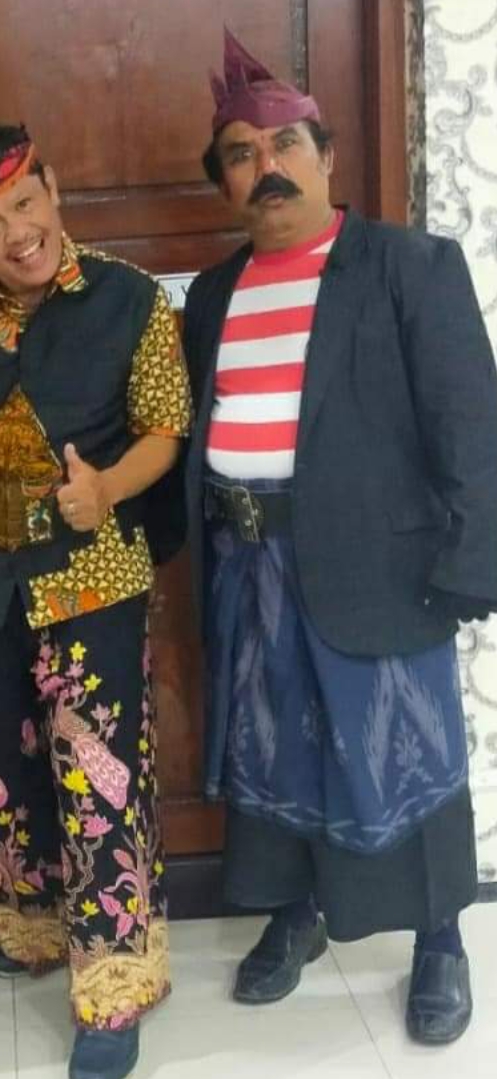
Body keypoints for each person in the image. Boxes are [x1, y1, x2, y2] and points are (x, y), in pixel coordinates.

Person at [182, 28, 497, 1045]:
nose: (265, 168)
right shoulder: (214, 294)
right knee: (273, 750)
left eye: (283, 145)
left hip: (381, 567)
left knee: (405, 752)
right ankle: (294, 910)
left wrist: (467, 565)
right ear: (225, 182)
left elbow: (469, 425)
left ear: (325, 156)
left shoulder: (408, 266)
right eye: (240, 154)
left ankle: (439, 938)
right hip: (247, 566)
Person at [0, 123, 192, 1079]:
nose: (15, 234)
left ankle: (114, 981)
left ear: (53, 189)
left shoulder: (129, 297)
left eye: (24, 206)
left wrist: (106, 488)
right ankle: (29, 926)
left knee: (98, 775)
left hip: (93, 576)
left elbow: (164, 430)